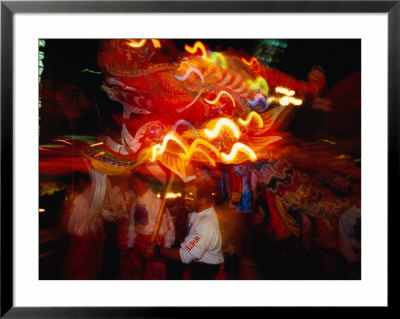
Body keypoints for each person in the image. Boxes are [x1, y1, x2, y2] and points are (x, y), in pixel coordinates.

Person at [146, 177, 224, 280]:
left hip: (206, 270)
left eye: (190, 196)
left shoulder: (206, 224)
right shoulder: (197, 209)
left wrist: (158, 250)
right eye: (186, 194)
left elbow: (186, 255)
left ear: (203, 200)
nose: (185, 198)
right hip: (197, 262)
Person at [121, 173, 175, 279]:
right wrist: (130, 244)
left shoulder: (157, 202)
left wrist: (165, 247)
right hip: (138, 246)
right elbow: (133, 225)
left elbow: (169, 227)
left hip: (153, 244)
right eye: (133, 184)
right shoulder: (136, 203)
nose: (134, 187)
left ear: (146, 184)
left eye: (137, 184)